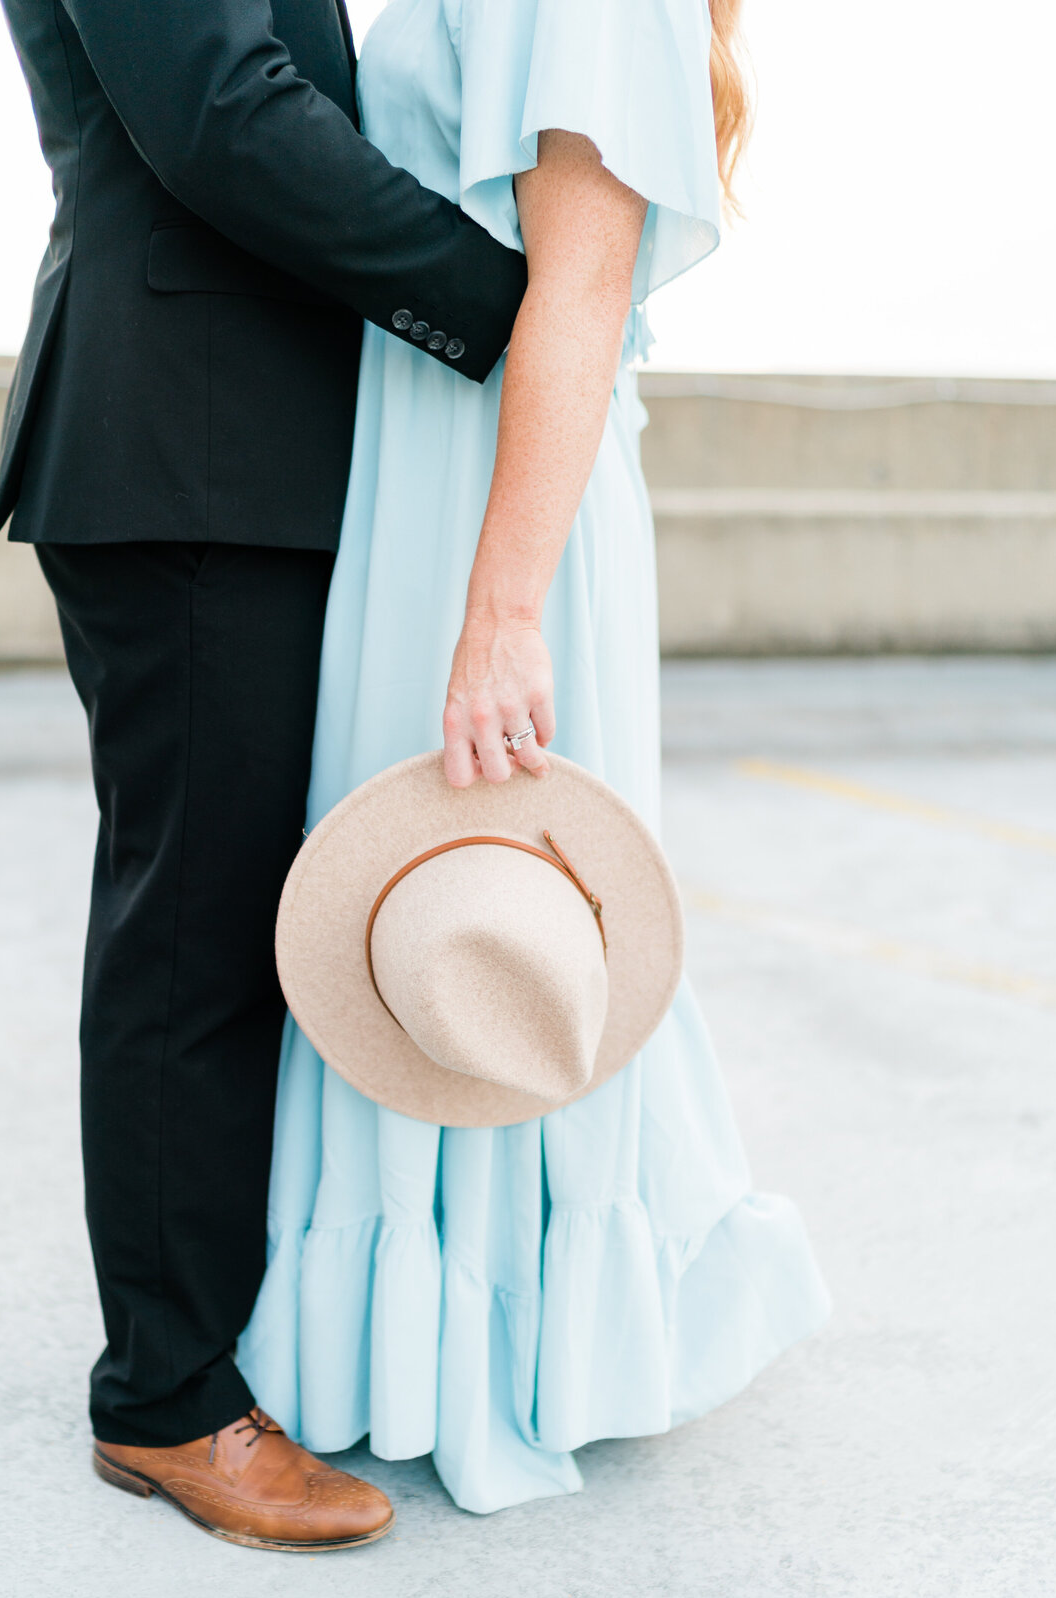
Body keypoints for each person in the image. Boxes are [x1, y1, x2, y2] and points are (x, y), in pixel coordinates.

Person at [232, 0, 832, 1515]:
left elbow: (583, 282)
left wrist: (501, 612)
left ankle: (512, 1351)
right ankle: (408, 1333)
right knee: (410, 902)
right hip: (426, 472)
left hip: (499, 511)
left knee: (495, 896)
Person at [0, 0, 530, 1550]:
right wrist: (503, 302)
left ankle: (206, 1340)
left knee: (220, 929)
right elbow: (225, 111)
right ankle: (164, 1401)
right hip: (185, 447)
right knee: (192, 943)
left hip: (235, 449)